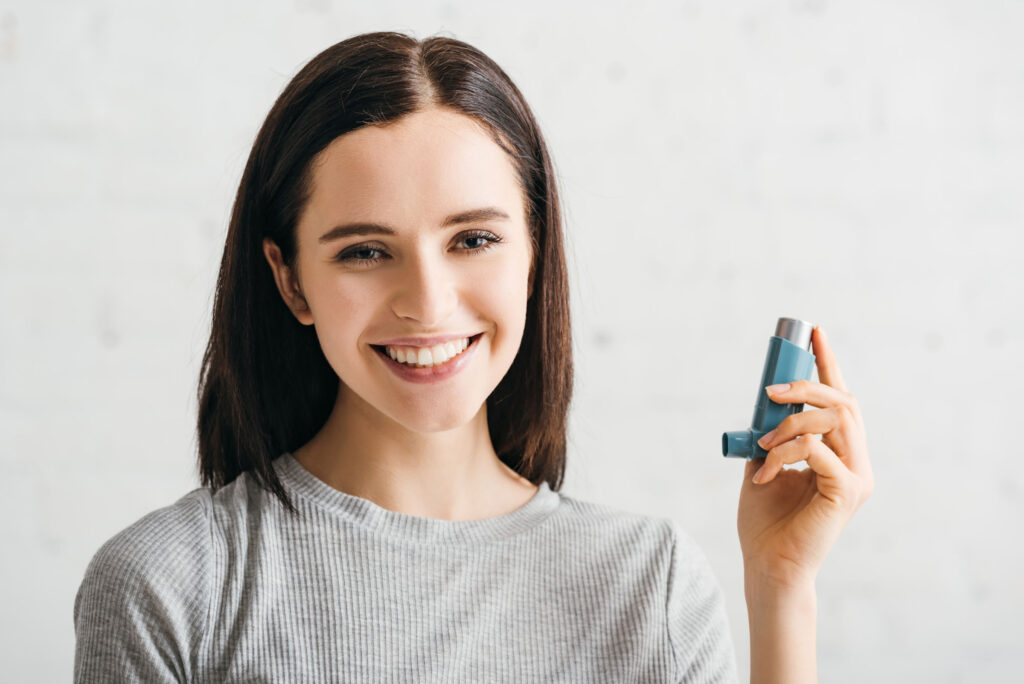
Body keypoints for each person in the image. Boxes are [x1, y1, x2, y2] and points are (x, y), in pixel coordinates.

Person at [73, 31, 873, 683]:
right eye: (363, 252)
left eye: (474, 240)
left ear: (533, 256)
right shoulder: (169, 587)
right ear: (290, 280)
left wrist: (781, 590)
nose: (428, 301)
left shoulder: (647, 581)